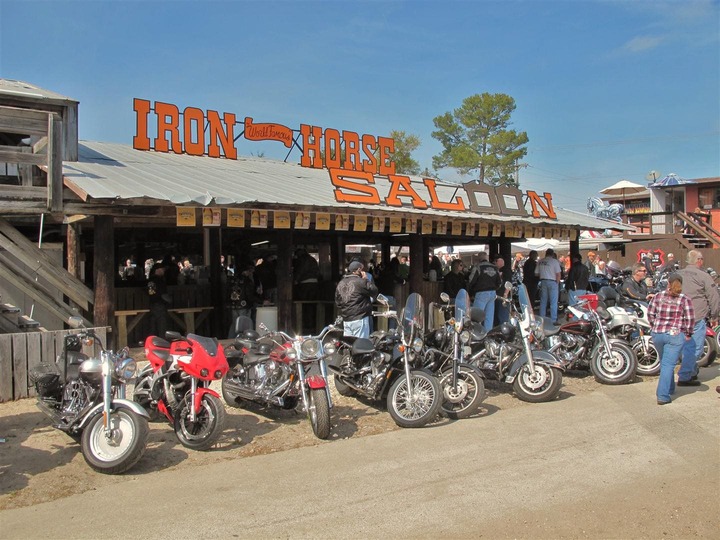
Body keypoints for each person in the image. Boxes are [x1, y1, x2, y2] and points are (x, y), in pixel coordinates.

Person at [648, 273, 695, 405]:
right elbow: (690, 319)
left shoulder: (658, 296)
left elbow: (650, 313)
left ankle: (669, 387)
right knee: (668, 364)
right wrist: (688, 333)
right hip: (674, 334)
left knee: (664, 361)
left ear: (668, 283)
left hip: (658, 333)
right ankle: (662, 395)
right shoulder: (684, 299)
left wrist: (654, 326)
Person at [678, 250, 720, 381]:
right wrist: (714, 316)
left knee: (684, 346)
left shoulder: (677, 274)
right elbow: (714, 297)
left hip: (678, 316)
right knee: (696, 347)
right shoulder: (703, 276)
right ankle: (685, 375)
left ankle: (691, 370)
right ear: (699, 260)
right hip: (696, 316)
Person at [335, 261, 378, 338]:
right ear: (359, 270)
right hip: (360, 317)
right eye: (362, 269)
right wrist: (366, 279)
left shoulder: (341, 282)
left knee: (348, 344)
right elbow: (374, 291)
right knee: (360, 345)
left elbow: (338, 302)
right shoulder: (360, 282)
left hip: (346, 318)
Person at [468, 252, 500, 332]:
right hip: (492, 293)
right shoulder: (495, 267)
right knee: (489, 317)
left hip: (481, 293)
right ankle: (488, 336)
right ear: (487, 257)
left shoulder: (478, 267)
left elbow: (471, 281)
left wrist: (470, 293)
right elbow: (499, 282)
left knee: (477, 317)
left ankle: (477, 334)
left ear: (479, 258)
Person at [227, 262, 261, 336]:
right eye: (250, 270)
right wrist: (260, 301)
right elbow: (249, 296)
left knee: (234, 324)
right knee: (245, 324)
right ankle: (245, 339)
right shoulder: (247, 281)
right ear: (246, 271)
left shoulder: (232, 280)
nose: (251, 272)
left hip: (234, 305)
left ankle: (230, 339)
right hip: (244, 305)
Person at [293, 248, 320, 333]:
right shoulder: (312, 259)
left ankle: (305, 325)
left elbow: (300, 271)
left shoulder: (302, 260)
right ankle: (312, 325)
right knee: (311, 305)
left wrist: (296, 280)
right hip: (314, 283)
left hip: (304, 283)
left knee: (303, 305)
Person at [535, 248, 562, 323]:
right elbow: (558, 274)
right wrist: (557, 282)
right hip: (552, 281)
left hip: (543, 281)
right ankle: (553, 319)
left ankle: (542, 318)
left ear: (546, 253)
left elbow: (536, 273)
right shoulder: (554, 261)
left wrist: (543, 274)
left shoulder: (540, 261)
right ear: (552, 254)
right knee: (553, 301)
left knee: (543, 301)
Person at [147, 262, 170, 338]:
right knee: (162, 327)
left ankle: (152, 343)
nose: (163, 271)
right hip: (160, 305)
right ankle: (162, 344)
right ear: (158, 270)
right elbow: (163, 294)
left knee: (152, 327)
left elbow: (151, 292)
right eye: (162, 269)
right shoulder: (160, 280)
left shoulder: (150, 280)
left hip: (152, 305)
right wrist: (169, 300)